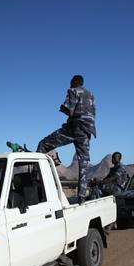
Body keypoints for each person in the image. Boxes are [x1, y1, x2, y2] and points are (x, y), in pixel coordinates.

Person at [37, 75, 95, 205]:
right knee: (84, 164)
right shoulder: (91, 94)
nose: (69, 85)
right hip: (87, 132)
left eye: (70, 82)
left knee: (43, 144)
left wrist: (62, 108)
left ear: (75, 82)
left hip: (74, 128)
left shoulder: (73, 91)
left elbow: (71, 111)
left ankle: (40, 183)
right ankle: (81, 196)